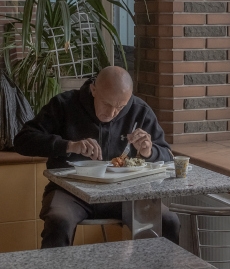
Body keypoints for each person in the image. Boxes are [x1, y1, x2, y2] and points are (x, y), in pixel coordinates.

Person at [14, 66, 180, 250]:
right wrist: (68, 145)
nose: (111, 114)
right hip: (70, 193)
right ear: (93, 90)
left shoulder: (139, 111)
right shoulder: (64, 104)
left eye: (120, 107)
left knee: (167, 220)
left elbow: (168, 156)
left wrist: (149, 151)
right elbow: (22, 141)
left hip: (126, 193)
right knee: (58, 221)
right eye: (107, 104)